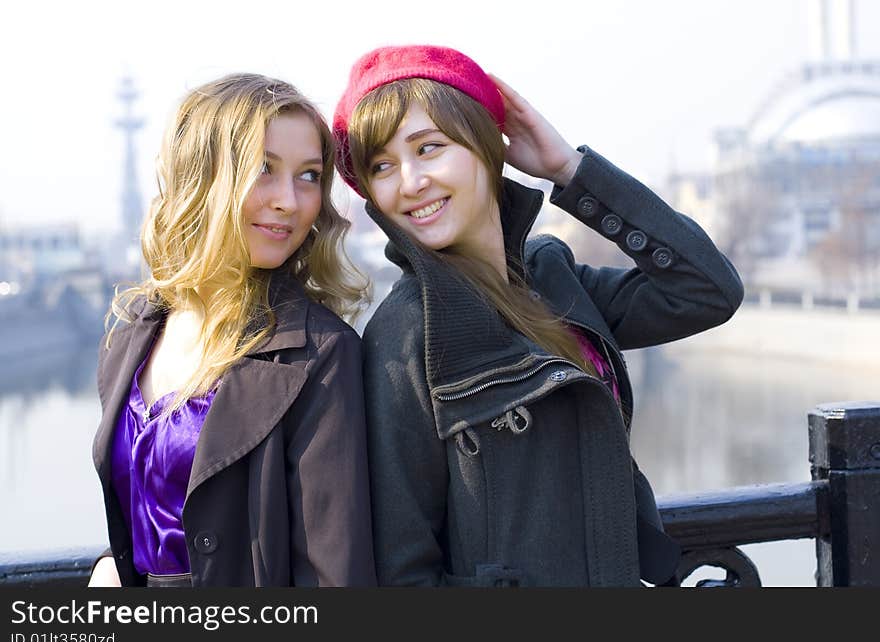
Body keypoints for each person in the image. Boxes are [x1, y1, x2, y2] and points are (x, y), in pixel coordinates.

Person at [332, 45, 744, 587]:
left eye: (428, 148)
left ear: (484, 147)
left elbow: (707, 290)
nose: (409, 183)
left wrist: (570, 170)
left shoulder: (552, 276)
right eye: (381, 166)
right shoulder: (408, 331)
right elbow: (404, 572)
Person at [88, 73, 376, 587]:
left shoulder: (319, 354)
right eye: (263, 169)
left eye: (309, 175)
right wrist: (113, 570)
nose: (290, 200)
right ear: (202, 177)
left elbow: (336, 578)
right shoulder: (132, 339)